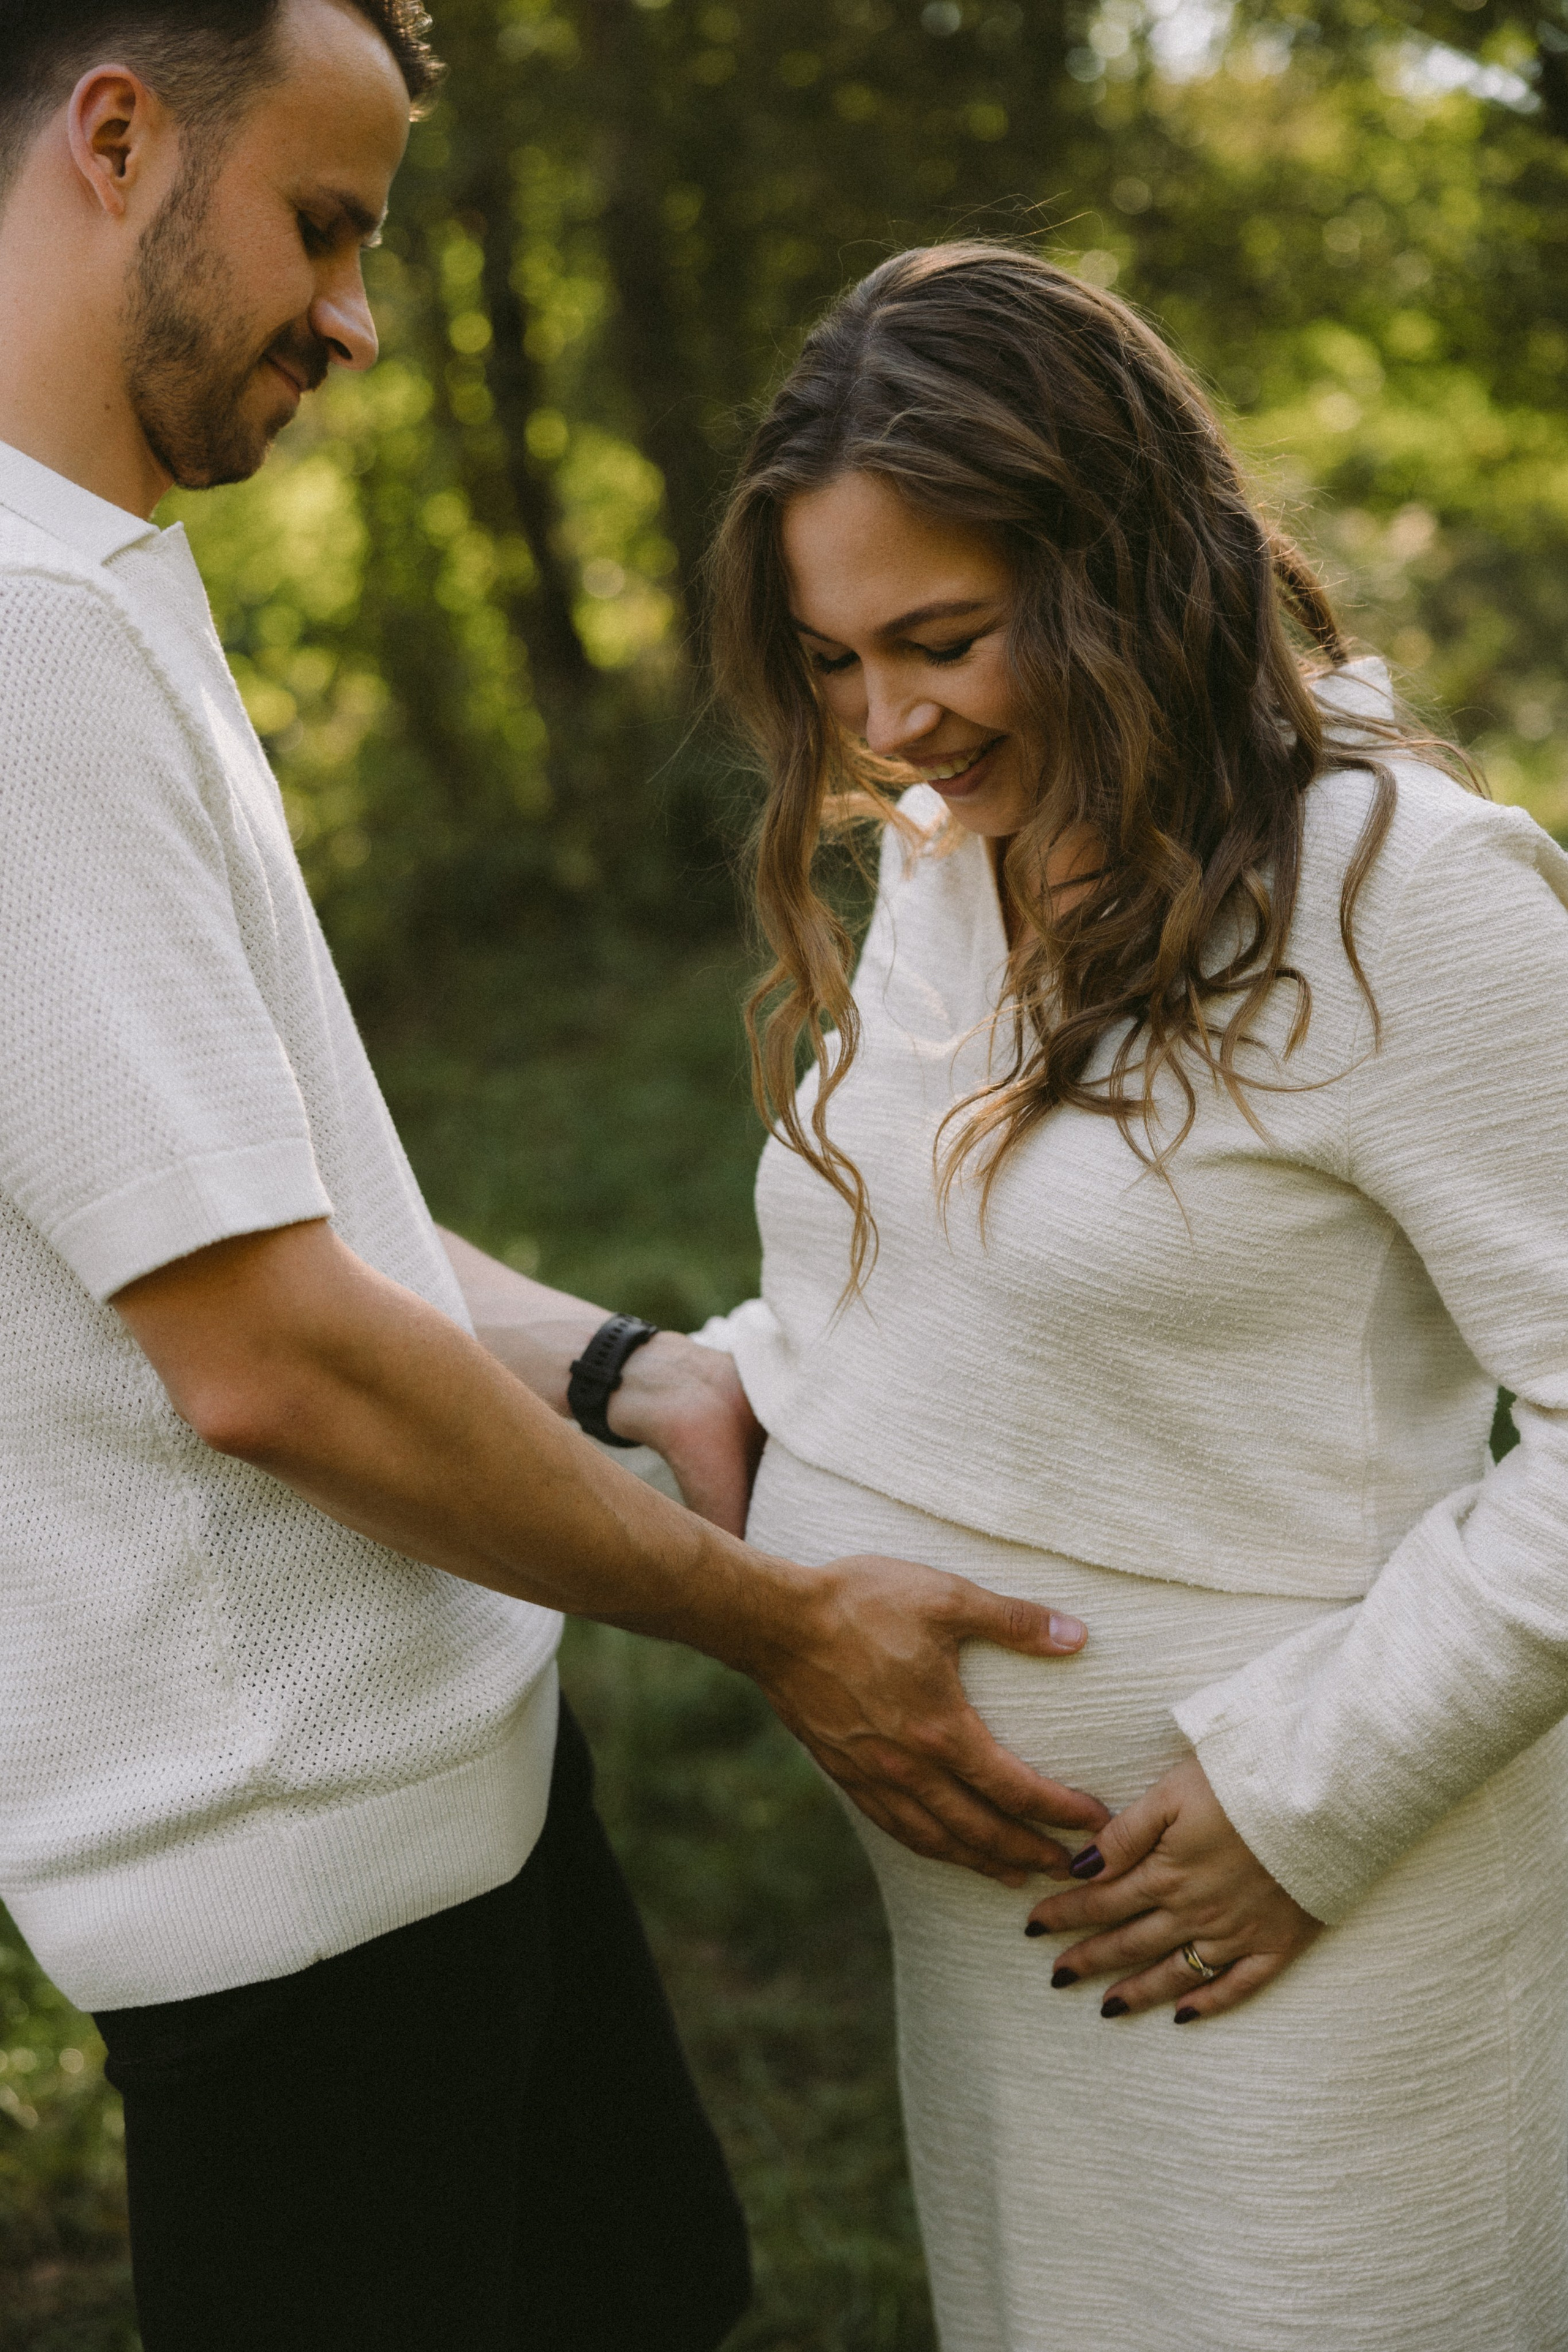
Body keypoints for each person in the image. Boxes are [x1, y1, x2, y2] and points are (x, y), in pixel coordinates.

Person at [0, 15, 1112, 2346]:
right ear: (118, 136)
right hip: (292, 1891)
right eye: (323, 222)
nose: (355, 317)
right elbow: (267, 1365)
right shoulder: (17, 646)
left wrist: (622, 1368)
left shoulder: (101, 589)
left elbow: (281, 1218)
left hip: (443, 1792)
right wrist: (791, 1635)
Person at [695, 239, 1568, 2350]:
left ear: (1126, 574)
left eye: (946, 640)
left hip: (1300, 1938)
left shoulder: (1400, 894)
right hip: (1011, 1980)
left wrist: (1307, 1801)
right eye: (831, 663)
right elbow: (927, 1291)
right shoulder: (953, 857)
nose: (888, 725)